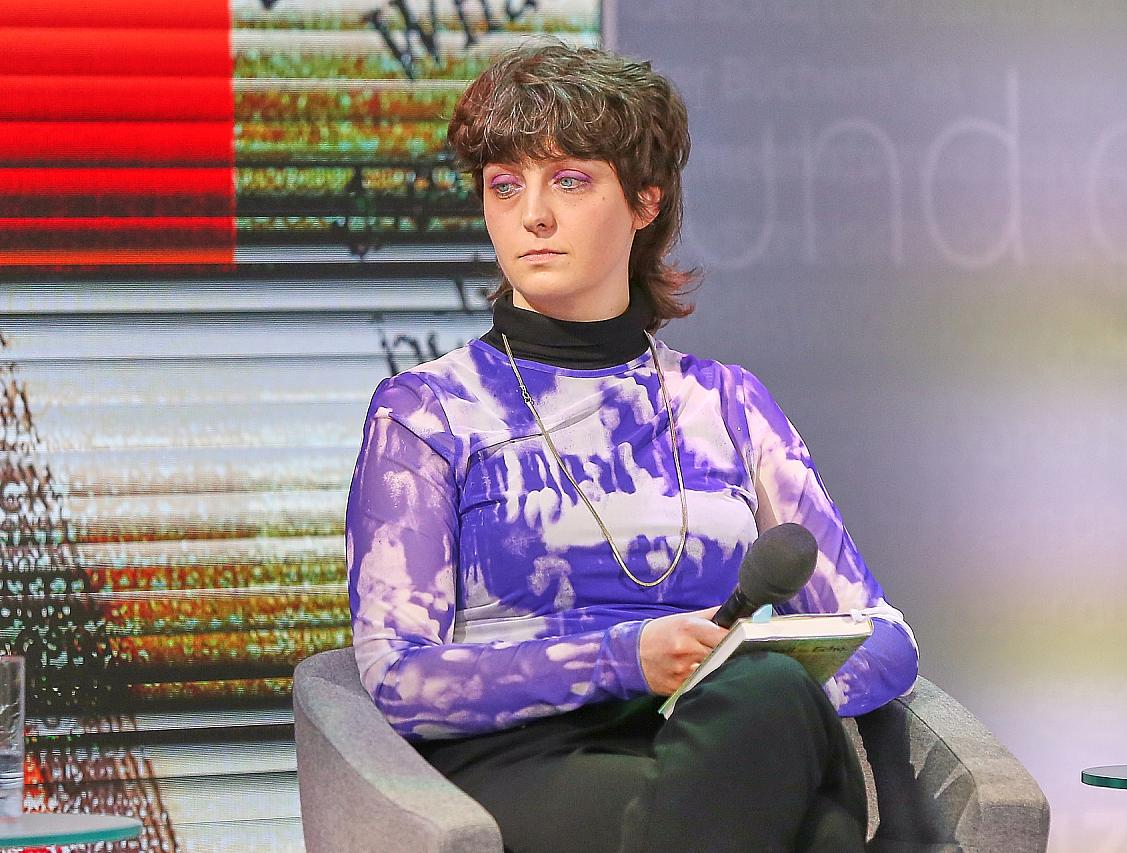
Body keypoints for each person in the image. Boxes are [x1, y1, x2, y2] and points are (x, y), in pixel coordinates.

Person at [346, 39, 919, 853]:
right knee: (817, 827)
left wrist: (767, 682)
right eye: (505, 185)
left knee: (766, 704)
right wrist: (623, 659)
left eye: (569, 180)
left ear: (645, 201)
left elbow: (885, 635)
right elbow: (398, 674)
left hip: (726, 737)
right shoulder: (427, 412)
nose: (532, 215)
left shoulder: (724, 402)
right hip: (528, 755)